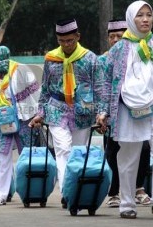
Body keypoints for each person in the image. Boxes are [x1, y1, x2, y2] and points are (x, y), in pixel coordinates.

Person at [96, 0, 153, 219]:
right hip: (128, 110)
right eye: (140, 15)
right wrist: (104, 111)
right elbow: (106, 81)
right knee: (129, 157)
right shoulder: (119, 49)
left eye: (148, 15)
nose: (145, 19)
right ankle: (127, 204)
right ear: (130, 19)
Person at [29, 19, 103, 208]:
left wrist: (102, 113)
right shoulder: (51, 59)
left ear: (78, 37)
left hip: (83, 111)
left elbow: (100, 88)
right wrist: (40, 112)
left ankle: (76, 190)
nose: (66, 45)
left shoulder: (90, 58)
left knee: (78, 152)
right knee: (63, 149)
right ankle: (67, 192)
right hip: (56, 109)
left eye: (70, 40)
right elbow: (44, 88)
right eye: (62, 41)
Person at [99, 19, 152, 208]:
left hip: (138, 112)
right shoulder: (103, 59)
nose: (115, 40)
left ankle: (139, 188)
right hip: (113, 115)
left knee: (144, 149)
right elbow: (100, 88)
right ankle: (114, 192)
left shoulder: (140, 54)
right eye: (111, 36)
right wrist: (101, 113)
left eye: (119, 36)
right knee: (112, 152)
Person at [0, 46, 41, 206]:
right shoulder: (0, 77)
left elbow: (36, 96)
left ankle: (29, 192)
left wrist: (37, 116)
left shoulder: (21, 70)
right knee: (1, 157)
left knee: (26, 158)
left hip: (25, 121)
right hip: (4, 122)